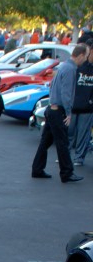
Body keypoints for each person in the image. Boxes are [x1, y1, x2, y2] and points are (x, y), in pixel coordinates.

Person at [31, 44, 89, 183]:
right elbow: (66, 93)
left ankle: (37, 169)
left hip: (52, 108)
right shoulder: (70, 69)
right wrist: (69, 113)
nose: (86, 60)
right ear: (80, 55)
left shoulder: (63, 66)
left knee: (45, 141)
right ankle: (66, 173)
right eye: (86, 56)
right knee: (62, 142)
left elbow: (54, 87)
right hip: (58, 111)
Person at [68, 41, 93, 166]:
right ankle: (65, 156)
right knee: (69, 132)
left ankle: (79, 158)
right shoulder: (79, 66)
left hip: (88, 108)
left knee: (83, 134)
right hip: (73, 106)